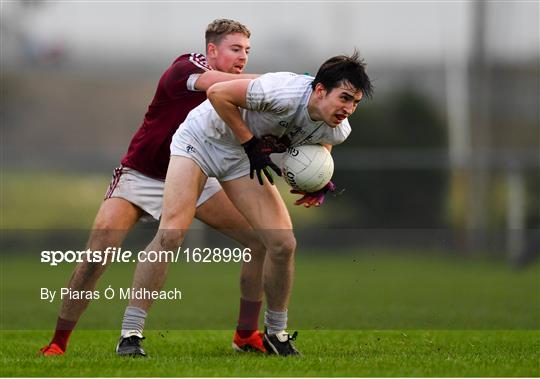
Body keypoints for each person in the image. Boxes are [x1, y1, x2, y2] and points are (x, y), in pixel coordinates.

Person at [40, 19, 269, 357]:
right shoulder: (186, 69)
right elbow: (219, 85)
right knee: (96, 257)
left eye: (247, 51)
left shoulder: (237, 89)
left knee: (262, 239)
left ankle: (246, 335)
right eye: (235, 49)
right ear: (212, 50)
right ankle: (58, 344)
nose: (243, 57)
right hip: (141, 176)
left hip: (194, 175)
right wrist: (283, 82)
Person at [124, 52, 373, 356]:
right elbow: (217, 93)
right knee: (172, 234)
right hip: (199, 142)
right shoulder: (281, 91)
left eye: (355, 102)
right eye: (344, 98)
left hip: (242, 159)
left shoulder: (337, 128)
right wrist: (249, 143)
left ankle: (276, 333)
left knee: (282, 243)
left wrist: (318, 180)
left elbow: (321, 145)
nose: (348, 109)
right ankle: (130, 334)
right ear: (320, 90)